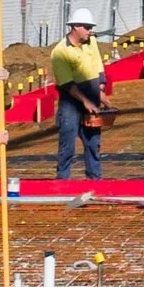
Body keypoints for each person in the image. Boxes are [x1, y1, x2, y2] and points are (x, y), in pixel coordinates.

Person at [52, 12, 108, 181]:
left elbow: (98, 65)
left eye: (91, 28)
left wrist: (100, 89)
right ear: (75, 26)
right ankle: (62, 180)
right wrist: (86, 102)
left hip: (91, 96)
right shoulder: (60, 52)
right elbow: (68, 84)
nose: (90, 31)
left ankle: (95, 178)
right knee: (67, 144)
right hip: (71, 102)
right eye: (87, 27)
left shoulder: (91, 42)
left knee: (93, 142)